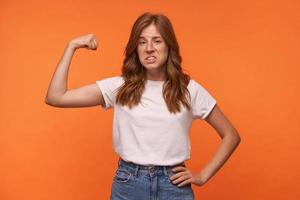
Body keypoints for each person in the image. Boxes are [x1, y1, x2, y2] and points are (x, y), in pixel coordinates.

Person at [45, 12, 241, 200]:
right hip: (129, 184)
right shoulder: (120, 87)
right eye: (142, 41)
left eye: (157, 40)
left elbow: (231, 135)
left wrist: (202, 176)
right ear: (135, 48)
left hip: (173, 186)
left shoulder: (189, 89)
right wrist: (72, 46)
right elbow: (56, 97)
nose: (149, 48)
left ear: (169, 46)